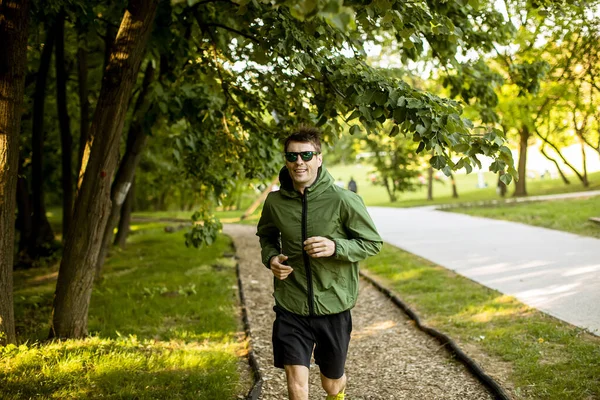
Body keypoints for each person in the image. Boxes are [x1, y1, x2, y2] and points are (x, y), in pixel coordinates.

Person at [256, 126, 382, 400]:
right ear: (286, 160)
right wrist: (271, 258)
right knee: (296, 385)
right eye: (292, 157)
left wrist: (335, 246)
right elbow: (266, 235)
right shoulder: (275, 202)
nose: (298, 162)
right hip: (291, 303)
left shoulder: (343, 199)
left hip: (333, 304)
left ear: (319, 158)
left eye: (306, 155)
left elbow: (372, 242)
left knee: (332, 383)